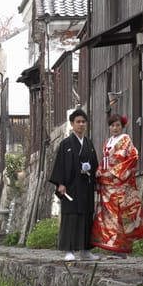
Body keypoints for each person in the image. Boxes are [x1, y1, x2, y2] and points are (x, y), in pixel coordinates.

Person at [91, 114, 143, 259]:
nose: (115, 128)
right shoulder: (108, 142)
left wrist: (113, 172)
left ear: (122, 126)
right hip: (107, 185)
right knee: (109, 217)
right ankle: (113, 247)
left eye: (117, 125)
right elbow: (104, 161)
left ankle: (121, 249)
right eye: (112, 125)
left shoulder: (126, 140)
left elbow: (132, 158)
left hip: (120, 184)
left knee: (121, 216)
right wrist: (99, 170)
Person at [49, 109, 100, 261]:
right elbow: (60, 165)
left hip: (85, 185)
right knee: (70, 217)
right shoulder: (66, 144)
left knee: (86, 216)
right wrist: (60, 183)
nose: (81, 124)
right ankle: (69, 250)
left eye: (83, 122)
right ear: (72, 124)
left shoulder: (89, 143)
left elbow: (95, 164)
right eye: (78, 122)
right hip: (70, 186)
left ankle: (85, 250)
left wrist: (96, 178)